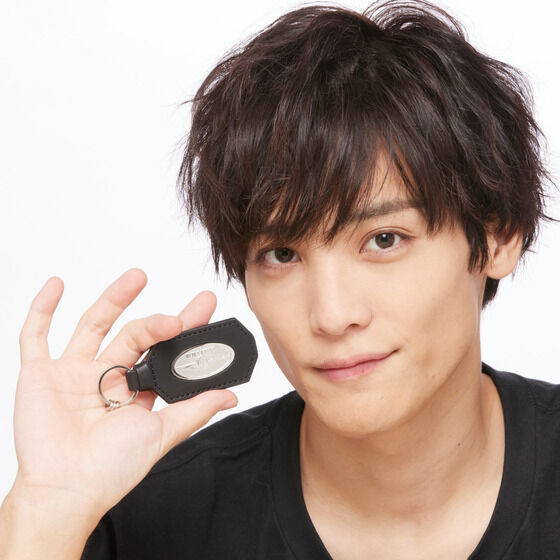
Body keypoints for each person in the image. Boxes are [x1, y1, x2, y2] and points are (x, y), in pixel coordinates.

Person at [1, 1, 559, 558]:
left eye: (384, 240)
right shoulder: (145, 517)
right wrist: (47, 509)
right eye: (282, 254)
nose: (332, 315)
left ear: (498, 237)